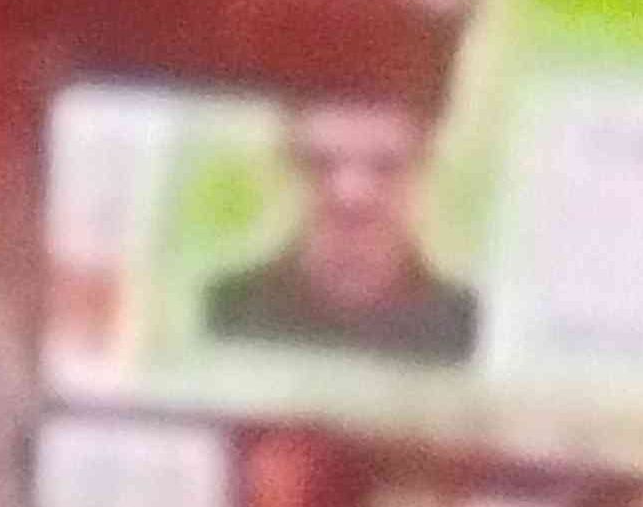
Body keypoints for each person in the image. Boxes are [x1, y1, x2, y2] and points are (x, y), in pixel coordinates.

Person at [201, 100, 475, 363]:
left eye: (386, 166)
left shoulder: (470, 328)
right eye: (322, 164)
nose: (351, 192)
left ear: (424, 168)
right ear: (287, 168)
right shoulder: (229, 310)